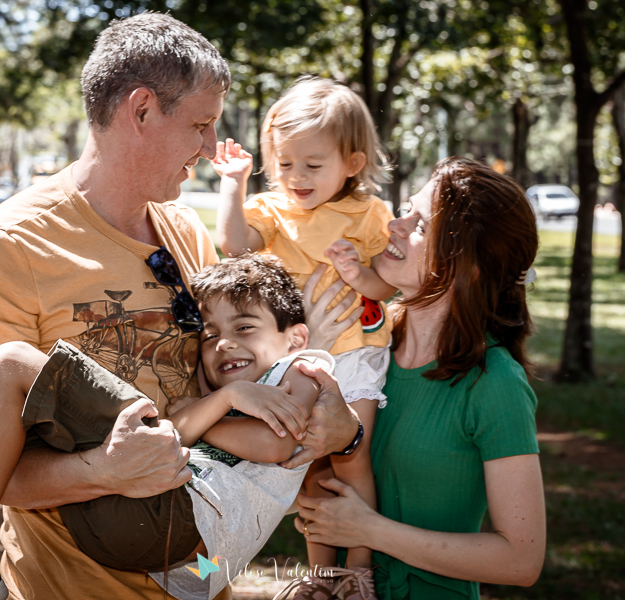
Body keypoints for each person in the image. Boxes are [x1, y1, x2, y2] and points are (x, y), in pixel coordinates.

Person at [0, 14, 358, 600]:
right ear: (142, 110)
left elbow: (230, 409)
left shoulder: (186, 234)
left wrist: (338, 427)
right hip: (59, 587)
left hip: (191, 570)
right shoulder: (8, 249)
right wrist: (100, 472)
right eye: (200, 124)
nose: (209, 147)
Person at [0, 256, 332, 600]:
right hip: (141, 528)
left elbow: (275, 443)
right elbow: (180, 427)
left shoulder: (304, 369)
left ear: (296, 337)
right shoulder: (223, 392)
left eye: (245, 327)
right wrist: (218, 404)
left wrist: (215, 407)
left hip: (179, 531)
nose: (224, 345)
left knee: (9, 363)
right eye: (211, 335)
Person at [292, 157, 547, 600]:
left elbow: (521, 560)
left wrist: (369, 530)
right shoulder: (366, 349)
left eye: (422, 226)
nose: (394, 224)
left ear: (470, 267)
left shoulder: (495, 383)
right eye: (406, 208)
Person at [212, 76, 393, 598]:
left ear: (353, 163)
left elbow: (388, 283)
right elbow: (233, 245)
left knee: (350, 455)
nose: (297, 177)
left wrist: (360, 275)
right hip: (295, 360)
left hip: (355, 354)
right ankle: (320, 572)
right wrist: (235, 182)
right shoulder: (272, 211)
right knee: (307, 461)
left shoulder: (368, 215)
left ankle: (359, 568)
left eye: (314, 165)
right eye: (285, 163)